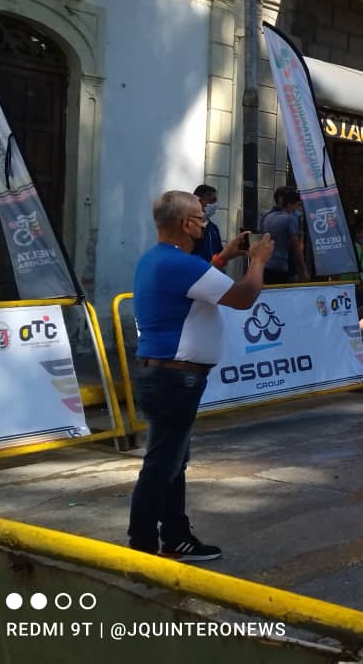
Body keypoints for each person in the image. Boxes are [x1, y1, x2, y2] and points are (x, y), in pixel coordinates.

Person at [129, 191, 274, 561]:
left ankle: (176, 536)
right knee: (163, 465)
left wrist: (225, 257)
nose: (204, 219)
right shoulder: (181, 265)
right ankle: (142, 545)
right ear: (184, 224)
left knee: (172, 462)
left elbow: (201, 280)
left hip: (163, 374)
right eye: (199, 215)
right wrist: (257, 261)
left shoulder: (160, 259)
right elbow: (242, 298)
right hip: (175, 378)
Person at [259, 185, 310, 285]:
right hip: (280, 269)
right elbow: (296, 248)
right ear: (290, 204)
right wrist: (303, 271)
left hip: (263, 267)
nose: (298, 209)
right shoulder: (290, 219)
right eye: (297, 205)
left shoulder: (266, 216)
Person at [191, 185, 223, 265]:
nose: (215, 205)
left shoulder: (214, 228)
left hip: (213, 273)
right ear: (199, 200)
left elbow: (220, 254)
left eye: (215, 201)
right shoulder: (188, 227)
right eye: (212, 200)